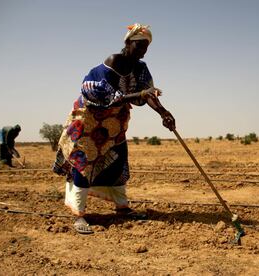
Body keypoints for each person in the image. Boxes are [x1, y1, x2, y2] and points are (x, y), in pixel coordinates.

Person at [53, 23, 176, 234]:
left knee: (118, 160)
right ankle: (79, 215)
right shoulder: (112, 62)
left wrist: (164, 113)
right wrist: (136, 96)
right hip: (90, 120)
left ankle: (122, 208)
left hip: (114, 122)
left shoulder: (140, 68)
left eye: (145, 48)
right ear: (127, 43)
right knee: (85, 162)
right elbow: (102, 94)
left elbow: (147, 94)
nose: (142, 51)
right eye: (138, 46)